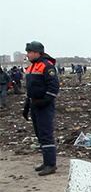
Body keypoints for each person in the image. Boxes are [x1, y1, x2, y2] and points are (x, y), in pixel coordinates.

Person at [23, 41, 60, 176]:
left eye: (29, 52)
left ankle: (51, 164)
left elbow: (53, 86)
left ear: (37, 53)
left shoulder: (46, 66)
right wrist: (27, 105)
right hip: (35, 104)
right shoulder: (31, 68)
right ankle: (46, 161)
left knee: (46, 133)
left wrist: (45, 101)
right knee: (39, 134)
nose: (27, 55)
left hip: (43, 105)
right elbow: (29, 89)